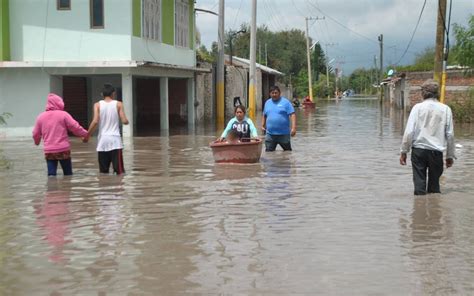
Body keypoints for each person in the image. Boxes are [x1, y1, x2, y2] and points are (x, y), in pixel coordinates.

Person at [400, 79, 455, 195]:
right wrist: (450, 156)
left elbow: (409, 132)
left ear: (423, 93)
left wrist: (404, 151)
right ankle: (435, 209)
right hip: (436, 152)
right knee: (434, 188)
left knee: (419, 187)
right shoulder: (445, 109)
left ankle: (419, 210)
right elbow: (450, 135)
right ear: (438, 93)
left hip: (418, 151)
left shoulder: (417, 108)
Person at [32, 93, 88, 176]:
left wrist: (37, 142)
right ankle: (67, 188)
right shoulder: (64, 115)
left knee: (51, 176)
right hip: (63, 149)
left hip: (49, 150)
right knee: (68, 175)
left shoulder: (41, 117)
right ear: (59, 103)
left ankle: (51, 188)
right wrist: (86, 134)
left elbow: (35, 133)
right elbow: (75, 127)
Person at [85, 84, 129, 174]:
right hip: (115, 141)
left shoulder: (97, 105)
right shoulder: (119, 104)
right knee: (119, 172)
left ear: (102, 94)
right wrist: (126, 121)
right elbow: (124, 121)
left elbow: (95, 121)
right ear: (113, 94)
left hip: (102, 141)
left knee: (103, 172)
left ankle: (104, 187)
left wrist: (87, 135)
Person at [262, 86, 296, 151]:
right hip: (270, 134)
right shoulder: (267, 103)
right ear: (270, 94)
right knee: (269, 153)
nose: (274, 94)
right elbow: (264, 114)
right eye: (272, 93)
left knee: (287, 153)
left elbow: (292, 114)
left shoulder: (286, 102)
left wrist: (293, 128)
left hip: (284, 134)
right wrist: (262, 125)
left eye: (276, 93)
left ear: (279, 93)